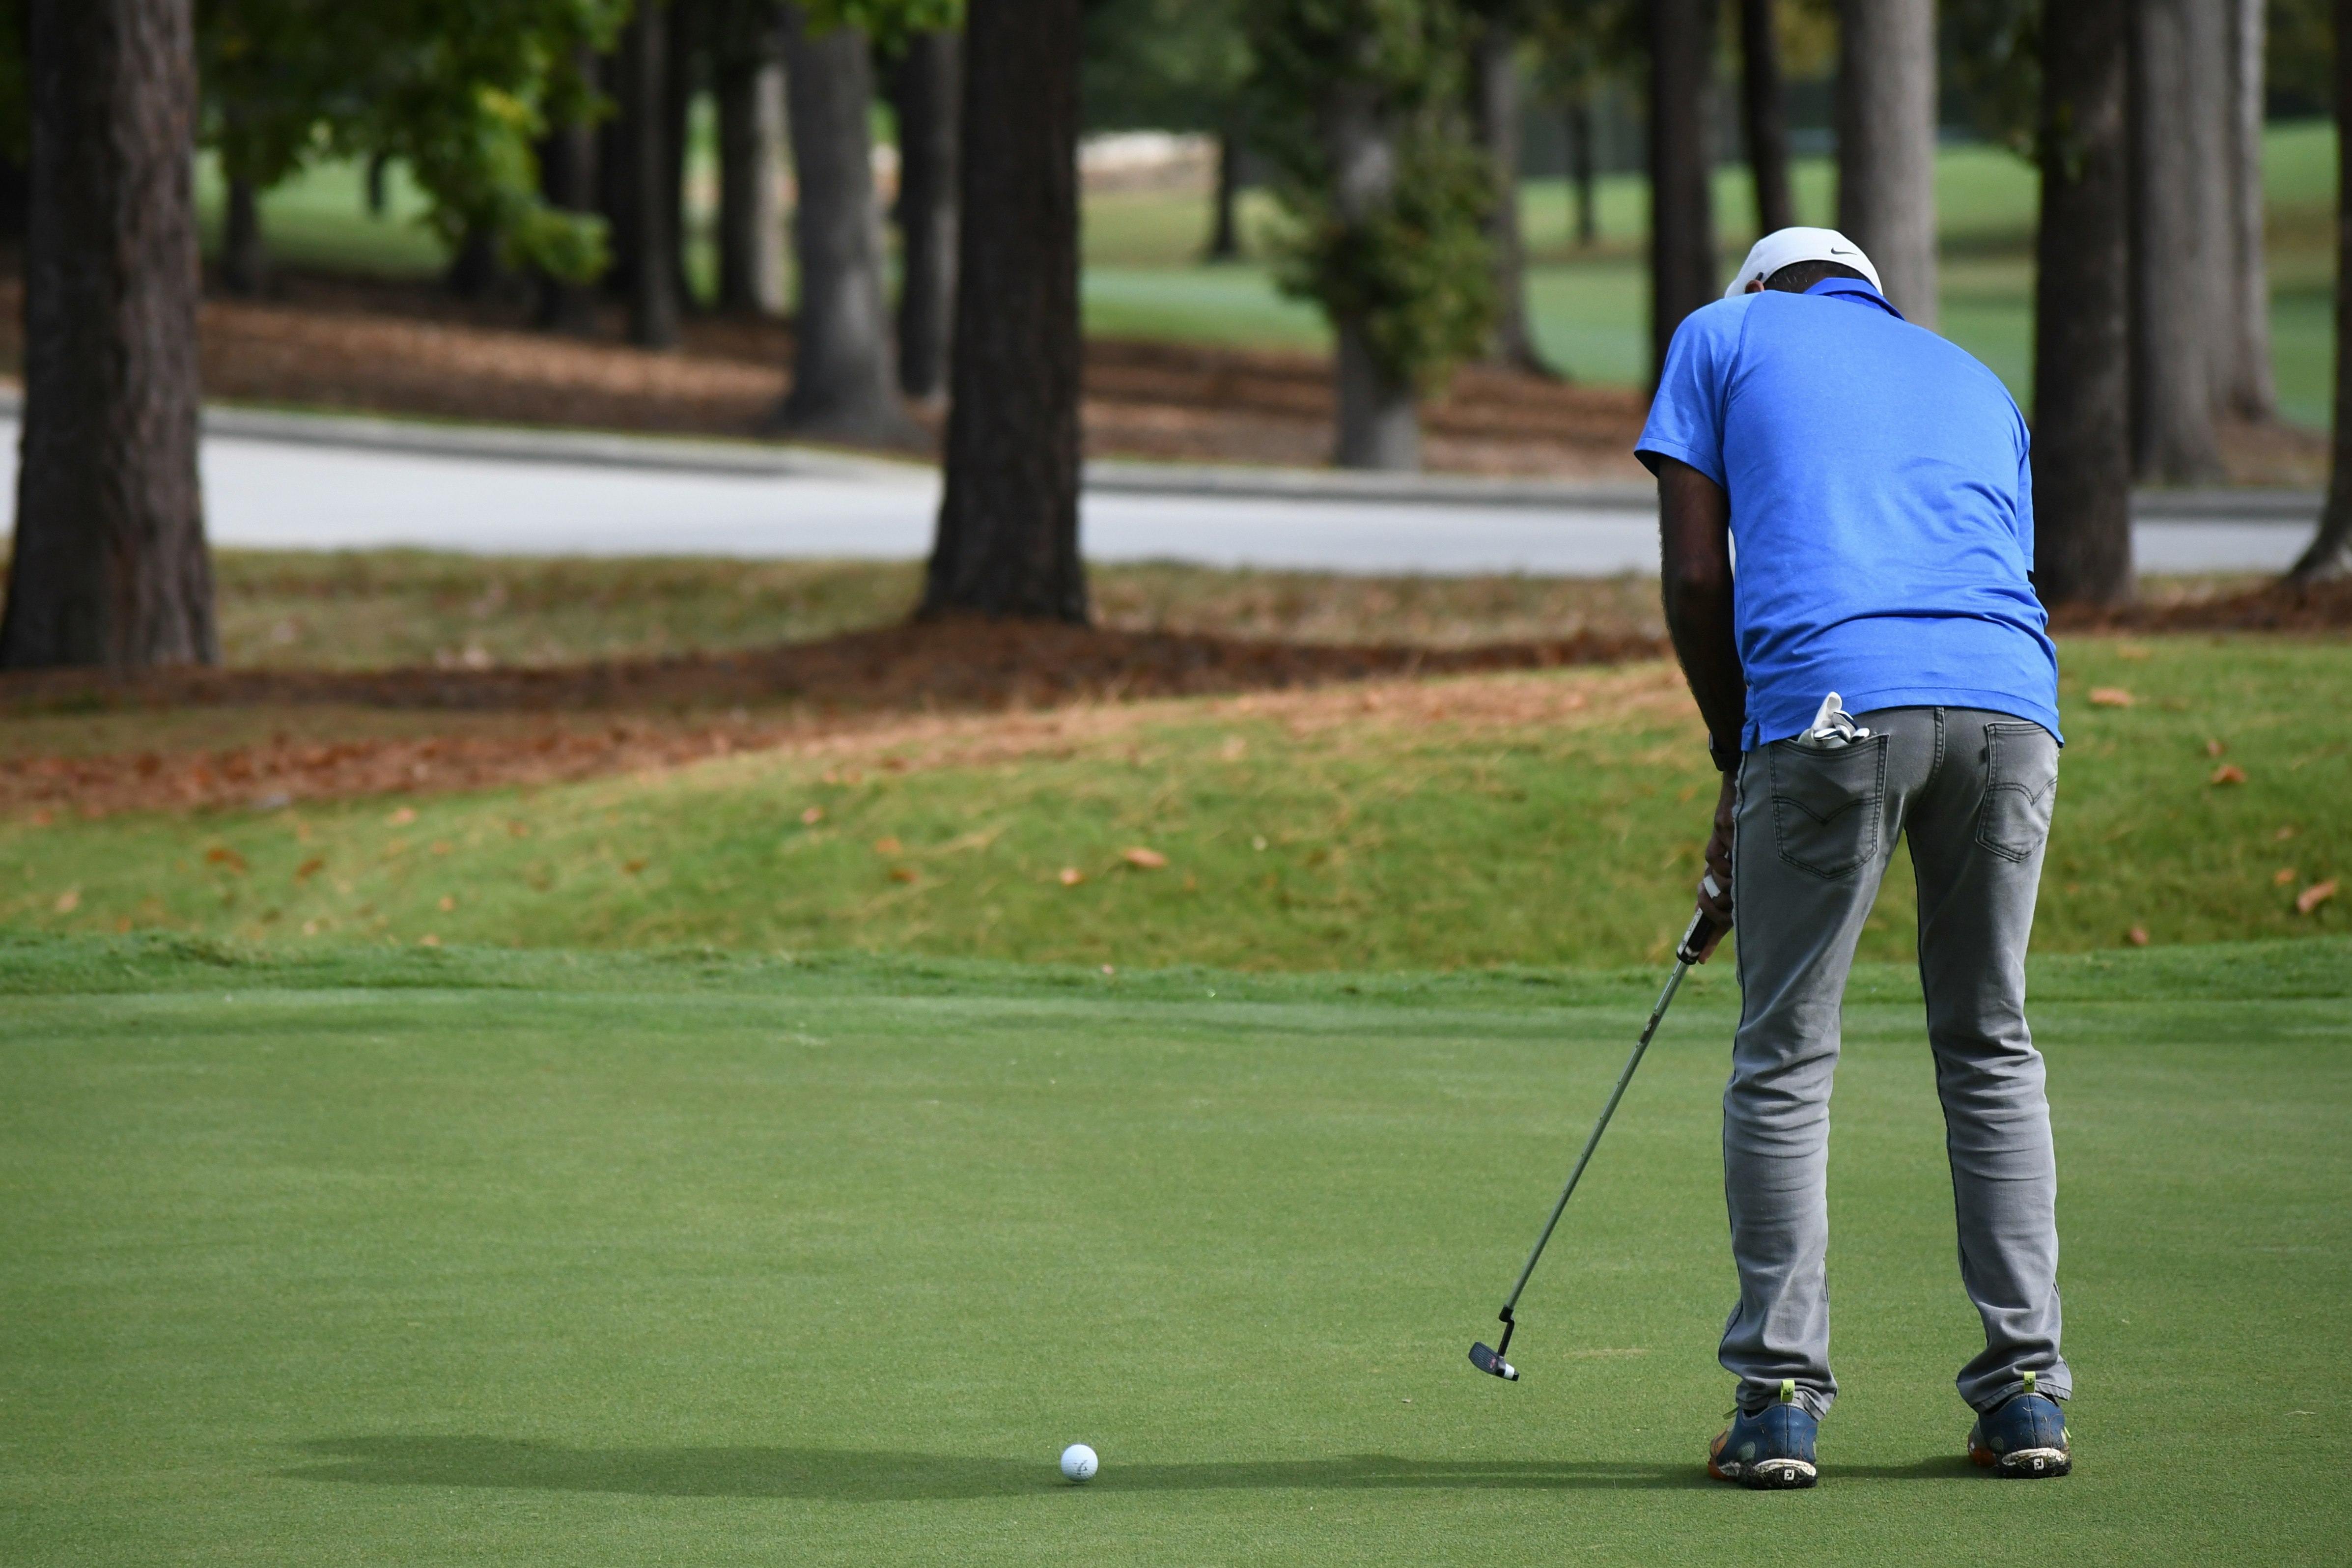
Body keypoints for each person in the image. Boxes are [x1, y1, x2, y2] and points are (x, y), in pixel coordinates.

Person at [1636, 227, 2073, 1489]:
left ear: (1762, 288)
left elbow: (1689, 578)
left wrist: (1741, 752)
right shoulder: (1974, 375)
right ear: (1870, 293)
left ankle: (1778, 1398)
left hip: (1830, 707)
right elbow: (1999, 571)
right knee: (1991, 1041)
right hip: (2013, 711)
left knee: (1784, 1050)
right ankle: (2028, 1390)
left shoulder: (1720, 337)